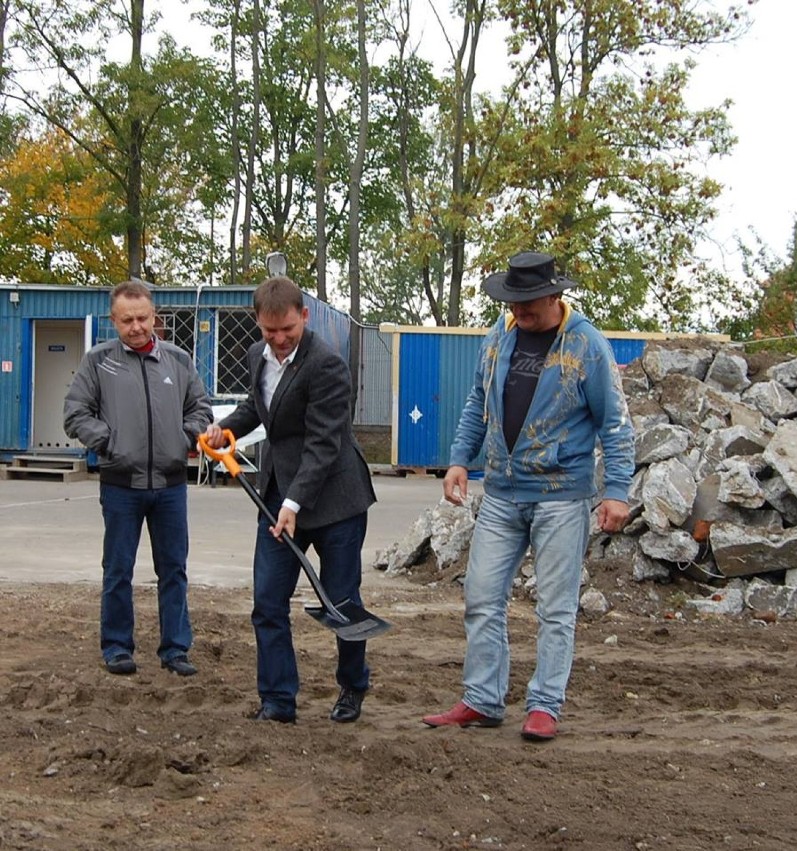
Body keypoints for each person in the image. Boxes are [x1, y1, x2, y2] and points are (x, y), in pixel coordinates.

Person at [422, 251, 635, 742]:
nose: (520, 312)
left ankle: (544, 705)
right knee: (480, 596)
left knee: (555, 607)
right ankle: (482, 698)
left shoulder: (586, 346)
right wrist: (459, 458)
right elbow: (478, 401)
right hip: (500, 491)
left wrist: (617, 491)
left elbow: (616, 424)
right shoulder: (500, 336)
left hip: (561, 494)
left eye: (529, 305)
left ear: (555, 295)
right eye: (513, 303)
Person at [204, 276, 376, 725]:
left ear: (304, 316)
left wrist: (294, 503)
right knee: (267, 602)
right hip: (279, 494)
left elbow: (323, 443)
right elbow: (259, 407)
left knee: (341, 602)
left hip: (336, 500)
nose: (279, 341)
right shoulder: (256, 357)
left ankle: (353, 685)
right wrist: (229, 429)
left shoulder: (328, 365)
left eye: (288, 331)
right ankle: (279, 699)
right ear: (258, 324)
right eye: (269, 332)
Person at [64, 280, 213, 677]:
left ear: (154, 316)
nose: (136, 327)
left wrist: (182, 438)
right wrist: (109, 442)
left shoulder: (178, 361)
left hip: (170, 486)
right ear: (113, 320)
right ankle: (116, 647)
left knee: (174, 569)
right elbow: (75, 413)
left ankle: (175, 649)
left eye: (143, 318)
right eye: (127, 320)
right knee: (117, 570)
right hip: (120, 486)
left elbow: (200, 408)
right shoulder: (97, 362)